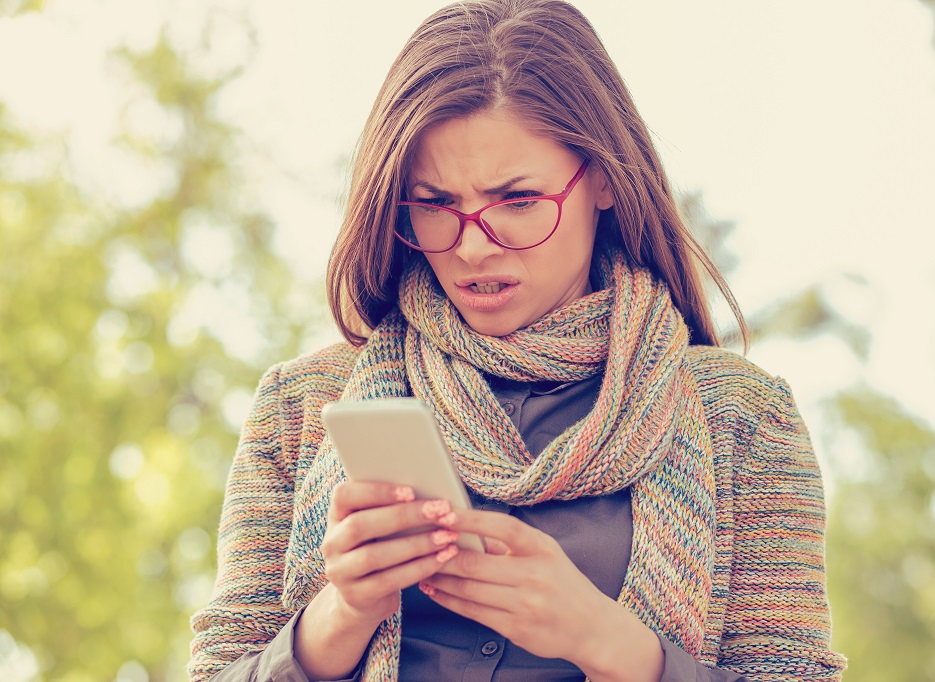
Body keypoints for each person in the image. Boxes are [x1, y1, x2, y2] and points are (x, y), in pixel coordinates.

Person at [187, 1, 847, 680]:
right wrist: (341, 616)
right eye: (436, 204)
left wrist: (607, 641)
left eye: (518, 201)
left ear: (604, 181)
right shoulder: (302, 407)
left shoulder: (741, 415)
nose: (473, 246)